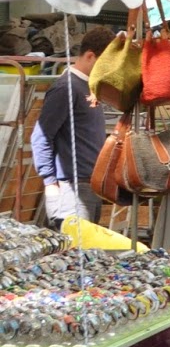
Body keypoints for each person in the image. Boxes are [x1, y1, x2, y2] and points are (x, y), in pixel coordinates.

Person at [32, 24, 113, 226]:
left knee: (89, 251)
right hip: (72, 186)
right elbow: (41, 136)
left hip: (90, 183)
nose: (108, 69)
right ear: (90, 56)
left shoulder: (88, 86)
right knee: (76, 249)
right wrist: (49, 181)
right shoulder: (65, 88)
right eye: (105, 62)